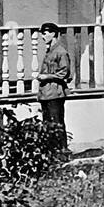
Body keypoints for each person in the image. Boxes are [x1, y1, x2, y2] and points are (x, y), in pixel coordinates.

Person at [35, 21, 72, 149]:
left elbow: (64, 72)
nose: (43, 37)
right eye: (42, 34)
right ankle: (53, 151)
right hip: (45, 93)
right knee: (48, 124)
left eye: (45, 34)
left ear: (53, 34)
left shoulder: (61, 52)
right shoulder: (49, 51)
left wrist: (47, 76)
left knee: (57, 123)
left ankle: (63, 150)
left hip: (55, 93)